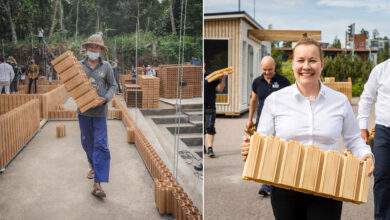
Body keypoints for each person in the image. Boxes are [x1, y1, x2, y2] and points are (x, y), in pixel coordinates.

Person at [245, 37, 374, 219]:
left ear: (322, 64)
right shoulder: (276, 100)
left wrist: (367, 155)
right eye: (301, 60)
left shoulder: (339, 101)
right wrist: (251, 149)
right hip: (284, 185)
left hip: (328, 186)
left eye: (312, 60)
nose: (306, 66)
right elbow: (263, 139)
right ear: (292, 65)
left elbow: (354, 140)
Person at [79, 33, 117, 198]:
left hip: (100, 114)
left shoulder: (106, 67)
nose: (94, 50)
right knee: (87, 144)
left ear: (101, 50)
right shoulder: (79, 67)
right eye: (91, 47)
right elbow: (71, 86)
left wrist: (106, 98)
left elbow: (113, 85)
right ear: (86, 48)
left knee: (100, 145)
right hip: (84, 112)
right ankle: (93, 166)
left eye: (97, 47)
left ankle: (98, 184)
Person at [246, 56, 290, 197]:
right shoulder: (257, 82)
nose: (267, 72)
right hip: (262, 123)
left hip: (281, 123)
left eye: (269, 69)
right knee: (265, 152)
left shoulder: (284, 82)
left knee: (277, 151)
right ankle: (267, 183)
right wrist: (250, 119)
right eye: (264, 69)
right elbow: (253, 101)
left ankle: (275, 181)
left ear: (274, 67)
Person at [357, 58, 390, 220]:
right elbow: (367, 97)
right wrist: (362, 125)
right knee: (382, 175)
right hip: (384, 131)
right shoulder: (381, 69)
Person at [204, 64, 227, 158]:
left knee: (210, 127)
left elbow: (220, 89)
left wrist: (223, 79)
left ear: (204, 64)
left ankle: (210, 148)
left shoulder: (212, 75)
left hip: (209, 106)